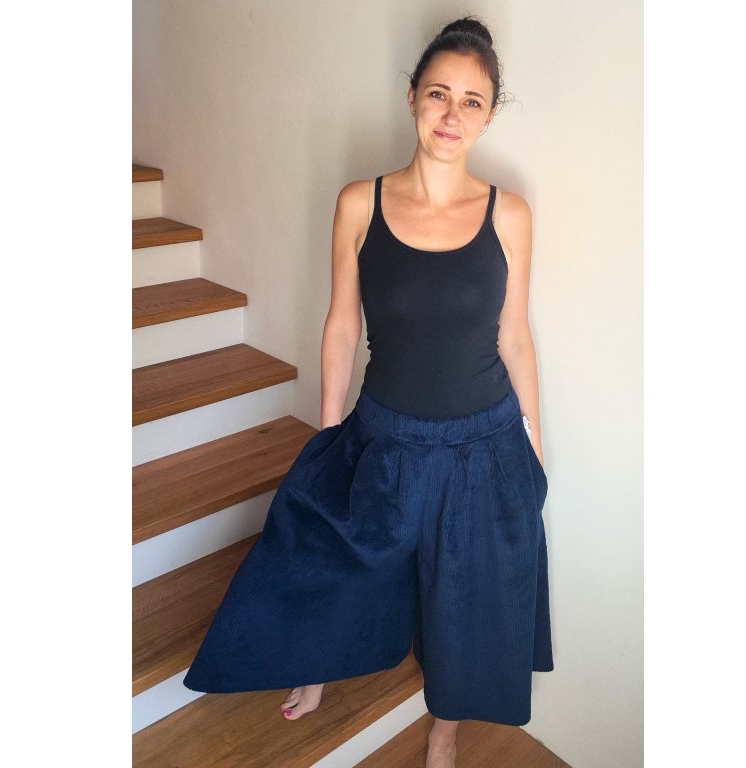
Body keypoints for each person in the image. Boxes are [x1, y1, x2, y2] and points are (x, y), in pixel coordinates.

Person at [184, 17, 552, 768]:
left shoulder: (510, 213)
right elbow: (342, 326)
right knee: (334, 552)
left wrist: (534, 450)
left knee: (465, 601)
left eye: (472, 102)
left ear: (489, 116)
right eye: (439, 94)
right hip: (386, 433)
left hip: (484, 444)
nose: (451, 114)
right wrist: (328, 440)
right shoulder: (361, 202)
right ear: (412, 96)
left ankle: (445, 730)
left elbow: (515, 337)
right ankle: (316, 663)